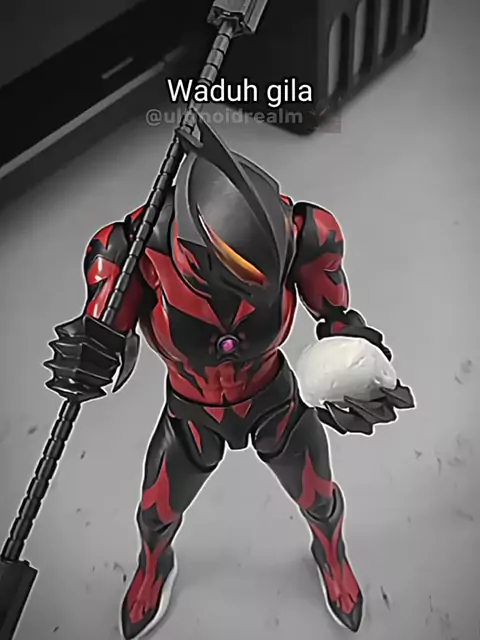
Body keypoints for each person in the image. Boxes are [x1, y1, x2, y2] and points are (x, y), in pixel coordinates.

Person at [45, 115, 414, 639]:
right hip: (191, 410)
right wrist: (90, 358)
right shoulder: (130, 252)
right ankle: (154, 567)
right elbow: (110, 342)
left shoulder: (307, 235)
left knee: (320, 500)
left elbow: (340, 325)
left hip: (273, 398)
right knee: (155, 515)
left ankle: (331, 555)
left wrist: (360, 375)